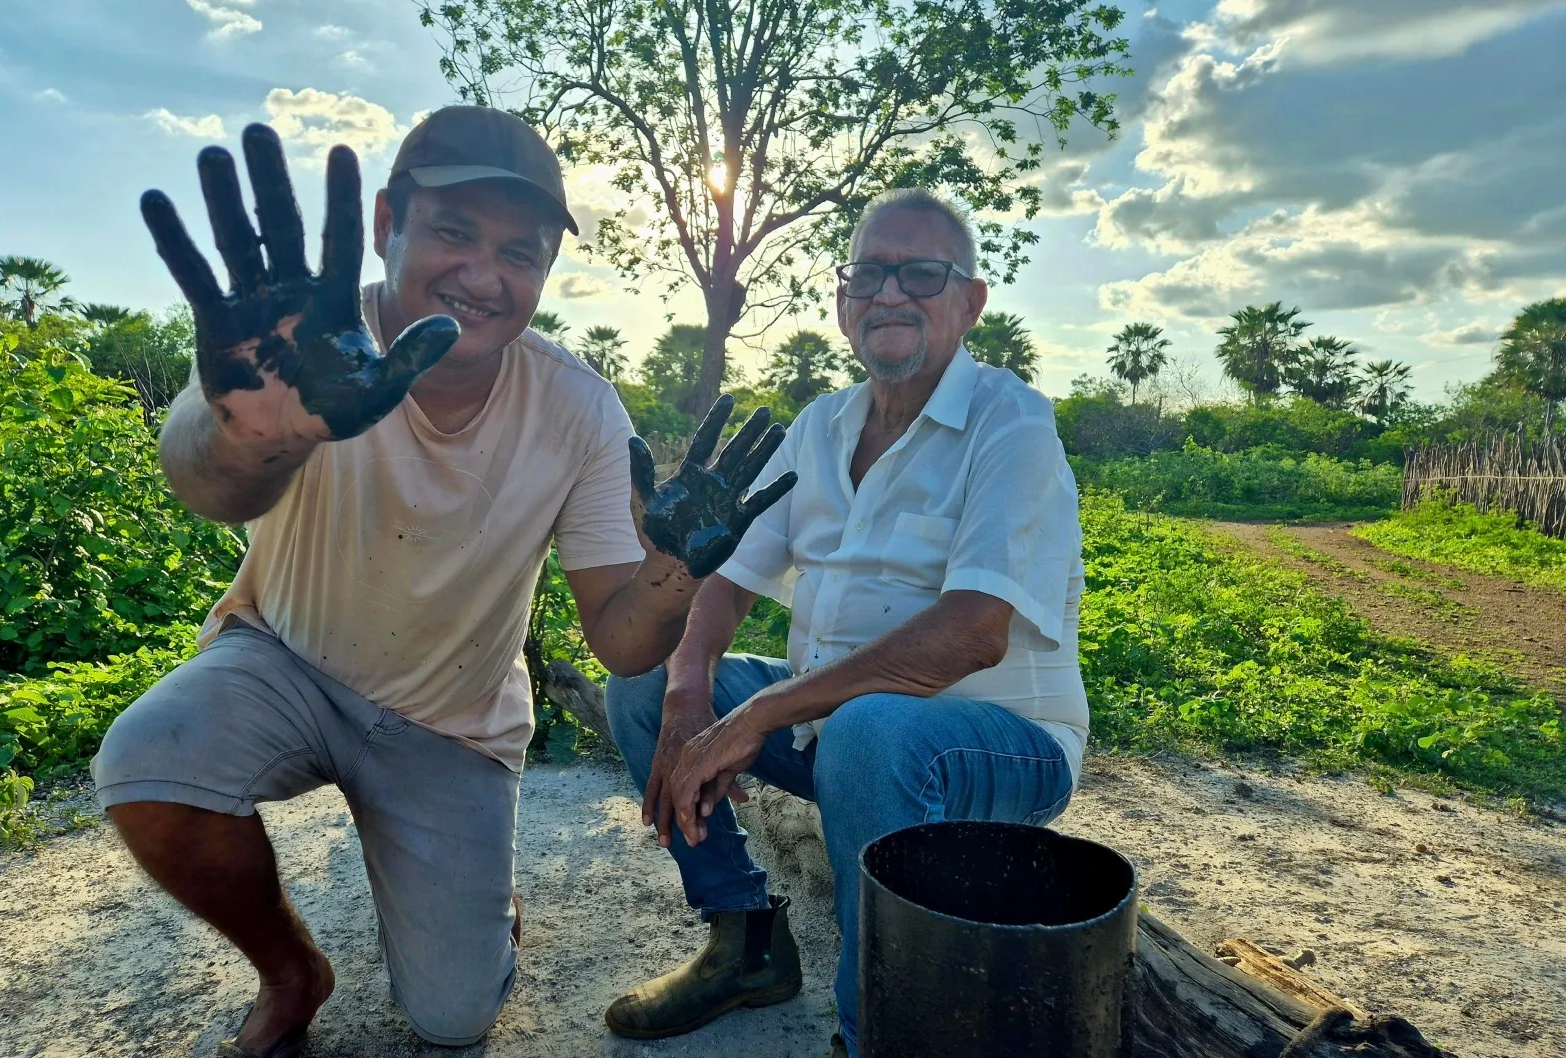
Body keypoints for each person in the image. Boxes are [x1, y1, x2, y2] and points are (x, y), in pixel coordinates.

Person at [90, 107, 793, 1058]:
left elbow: (621, 644)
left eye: (520, 252)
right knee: (146, 756)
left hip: (453, 723)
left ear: (545, 272)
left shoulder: (578, 408)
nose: (484, 275)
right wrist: (262, 427)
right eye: (453, 233)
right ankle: (292, 973)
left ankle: (476, 901)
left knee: (452, 1019)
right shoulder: (307, 342)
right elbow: (204, 483)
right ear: (388, 227)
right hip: (285, 661)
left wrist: (672, 573)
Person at [603, 188, 1088, 1057]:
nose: (888, 294)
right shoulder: (821, 427)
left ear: (970, 302)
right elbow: (729, 581)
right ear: (841, 299)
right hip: (839, 731)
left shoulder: (1010, 424)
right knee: (644, 678)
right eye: (867, 273)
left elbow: (974, 632)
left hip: (1004, 744)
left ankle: (877, 1033)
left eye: (921, 274)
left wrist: (754, 715)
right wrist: (687, 697)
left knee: (868, 732)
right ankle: (744, 939)